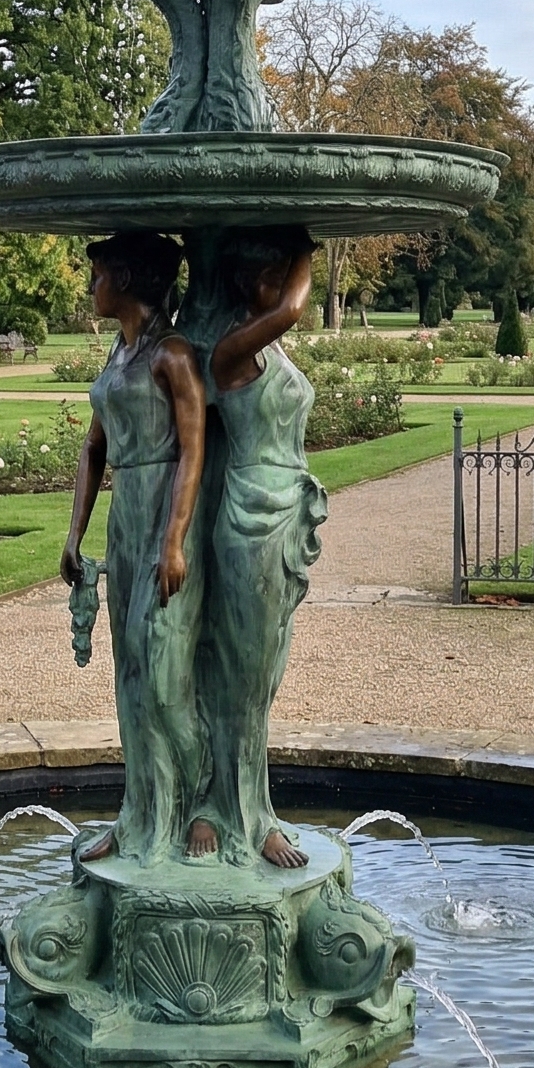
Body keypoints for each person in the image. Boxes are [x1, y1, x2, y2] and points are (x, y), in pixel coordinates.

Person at [60, 232, 211, 863]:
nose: (89, 285)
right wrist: (75, 534)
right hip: (126, 522)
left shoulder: (171, 355)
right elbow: (94, 450)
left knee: (164, 677)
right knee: (129, 676)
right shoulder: (117, 359)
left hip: (165, 516)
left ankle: (201, 806)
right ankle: (138, 814)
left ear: (125, 279)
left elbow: (194, 449)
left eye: (96, 274)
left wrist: (174, 540)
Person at [192, 228, 326, 870]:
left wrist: (292, 254)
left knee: (261, 677)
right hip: (250, 515)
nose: (289, 282)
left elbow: (288, 312)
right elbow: (293, 309)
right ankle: (239, 815)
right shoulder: (230, 352)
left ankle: (233, 802)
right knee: (241, 676)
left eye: (286, 269)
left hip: (283, 514)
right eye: (274, 272)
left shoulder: (269, 354)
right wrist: (306, 244)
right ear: (252, 282)